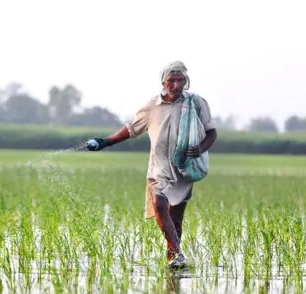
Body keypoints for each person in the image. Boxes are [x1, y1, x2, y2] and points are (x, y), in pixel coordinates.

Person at [87, 61, 218, 269]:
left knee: (176, 218)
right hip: (159, 169)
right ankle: (177, 253)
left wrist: (200, 149)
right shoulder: (152, 106)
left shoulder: (196, 104)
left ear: (186, 81)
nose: (176, 85)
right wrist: (104, 142)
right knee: (159, 205)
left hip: (184, 169)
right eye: (171, 80)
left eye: (180, 80)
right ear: (163, 82)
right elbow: (131, 129)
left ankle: (173, 260)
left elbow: (212, 133)